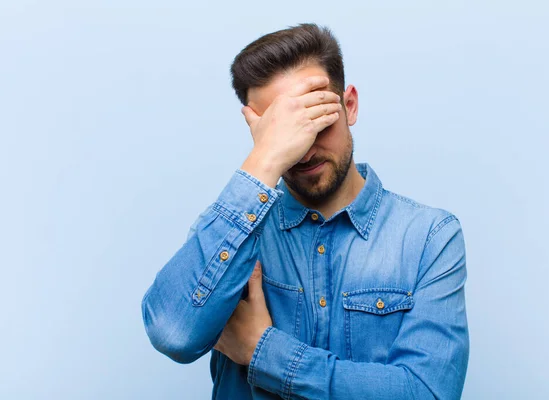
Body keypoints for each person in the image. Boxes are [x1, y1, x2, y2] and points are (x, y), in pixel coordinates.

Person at [142, 23, 469, 399]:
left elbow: (428, 393)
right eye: (286, 130)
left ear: (349, 106)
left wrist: (262, 351)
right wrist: (264, 159)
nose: (305, 149)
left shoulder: (429, 236)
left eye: (316, 119)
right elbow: (173, 332)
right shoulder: (228, 235)